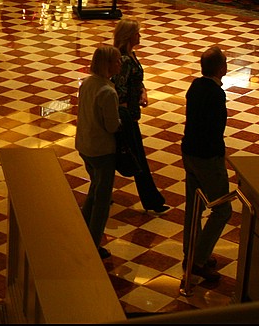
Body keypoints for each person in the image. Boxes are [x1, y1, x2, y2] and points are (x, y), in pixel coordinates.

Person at [181, 45, 230, 283]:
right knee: (222, 209)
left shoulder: (195, 86)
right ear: (221, 68)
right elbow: (216, 128)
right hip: (207, 157)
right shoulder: (216, 94)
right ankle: (199, 259)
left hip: (189, 151)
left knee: (194, 207)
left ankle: (190, 253)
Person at [111, 20, 169, 215]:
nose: (140, 36)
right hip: (126, 117)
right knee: (136, 157)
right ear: (129, 36)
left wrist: (142, 92)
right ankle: (152, 200)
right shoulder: (124, 60)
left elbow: (136, 81)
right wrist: (128, 108)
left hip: (131, 114)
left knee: (126, 156)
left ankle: (103, 192)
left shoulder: (131, 56)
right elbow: (119, 89)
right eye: (137, 33)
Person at [75, 44, 123, 260]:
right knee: (102, 200)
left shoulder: (86, 83)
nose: (120, 64)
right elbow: (112, 126)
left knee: (94, 190)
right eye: (117, 61)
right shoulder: (108, 91)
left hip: (85, 145)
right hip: (102, 150)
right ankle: (93, 243)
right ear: (107, 64)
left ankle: (82, 231)